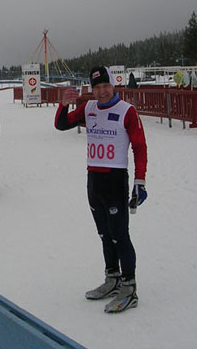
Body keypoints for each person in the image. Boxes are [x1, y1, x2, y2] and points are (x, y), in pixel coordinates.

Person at [54, 65, 148, 313]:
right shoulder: (89, 107)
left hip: (116, 180)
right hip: (94, 180)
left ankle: (130, 287)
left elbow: (139, 147)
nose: (102, 92)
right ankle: (113, 278)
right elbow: (62, 125)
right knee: (105, 235)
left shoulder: (127, 111)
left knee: (120, 235)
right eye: (97, 87)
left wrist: (140, 181)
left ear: (113, 85)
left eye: (106, 86)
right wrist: (63, 105)